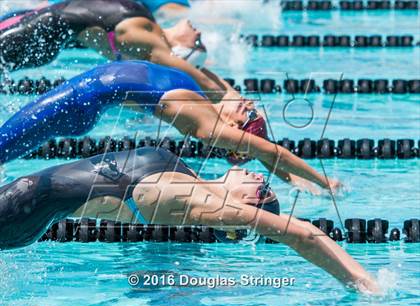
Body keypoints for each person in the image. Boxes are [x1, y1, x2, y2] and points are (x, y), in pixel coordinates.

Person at [0, 146, 378, 293]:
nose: (261, 181)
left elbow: (304, 235)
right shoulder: (189, 176)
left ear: (240, 215)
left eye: (263, 195)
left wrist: (363, 282)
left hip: (22, 210)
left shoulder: (201, 204)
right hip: (22, 197)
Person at [0, 60, 340, 194]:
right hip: (78, 94)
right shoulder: (210, 99)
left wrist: (324, 182)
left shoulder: (207, 124)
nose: (250, 106)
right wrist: (292, 179)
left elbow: (271, 151)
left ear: (236, 133)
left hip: (76, 103)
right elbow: (263, 149)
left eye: (250, 117)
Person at [0, 0, 227, 101]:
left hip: (33, 32)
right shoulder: (146, 25)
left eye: (197, 45)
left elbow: (205, 84)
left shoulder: (141, 39)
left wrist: (233, 103)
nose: (199, 35)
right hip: (31, 23)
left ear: (179, 51)